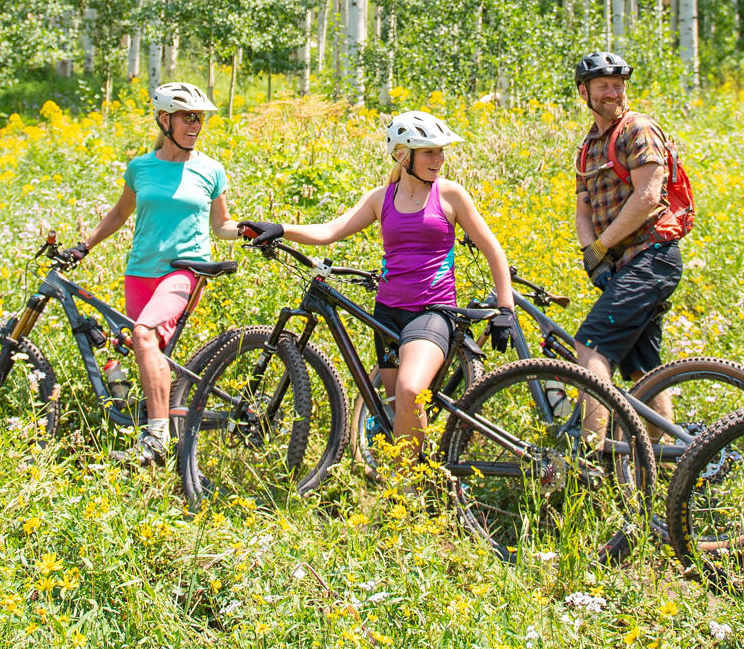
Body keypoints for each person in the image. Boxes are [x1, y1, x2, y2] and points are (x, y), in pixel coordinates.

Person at [240, 110, 515, 455]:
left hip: (432, 313)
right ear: (403, 154)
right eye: (430, 151)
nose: (439, 159)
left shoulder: (450, 195)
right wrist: (281, 229)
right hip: (386, 315)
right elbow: (330, 231)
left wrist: (505, 309)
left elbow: (493, 250)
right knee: (392, 408)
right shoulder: (381, 198)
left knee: (410, 391)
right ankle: (400, 479)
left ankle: (408, 492)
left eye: (441, 151)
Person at [65, 81, 239, 468]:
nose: (195, 125)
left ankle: (157, 440)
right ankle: (153, 427)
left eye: (200, 118)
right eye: (187, 117)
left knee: (144, 335)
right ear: (164, 119)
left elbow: (222, 224)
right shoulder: (140, 167)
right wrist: (85, 245)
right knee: (143, 350)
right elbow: (119, 214)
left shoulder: (210, 170)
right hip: (139, 273)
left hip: (184, 273)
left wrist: (245, 229)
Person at [572, 51, 683, 428]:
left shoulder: (639, 129)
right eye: (603, 85)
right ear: (583, 92)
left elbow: (648, 197)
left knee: (590, 347)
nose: (613, 92)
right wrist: (592, 252)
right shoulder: (588, 147)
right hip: (625, 265)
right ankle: (661, 456)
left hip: (651, 256)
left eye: (618, 85)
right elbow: (583, 210)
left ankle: (592, 457)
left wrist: (604, 245)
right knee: (644, 369)